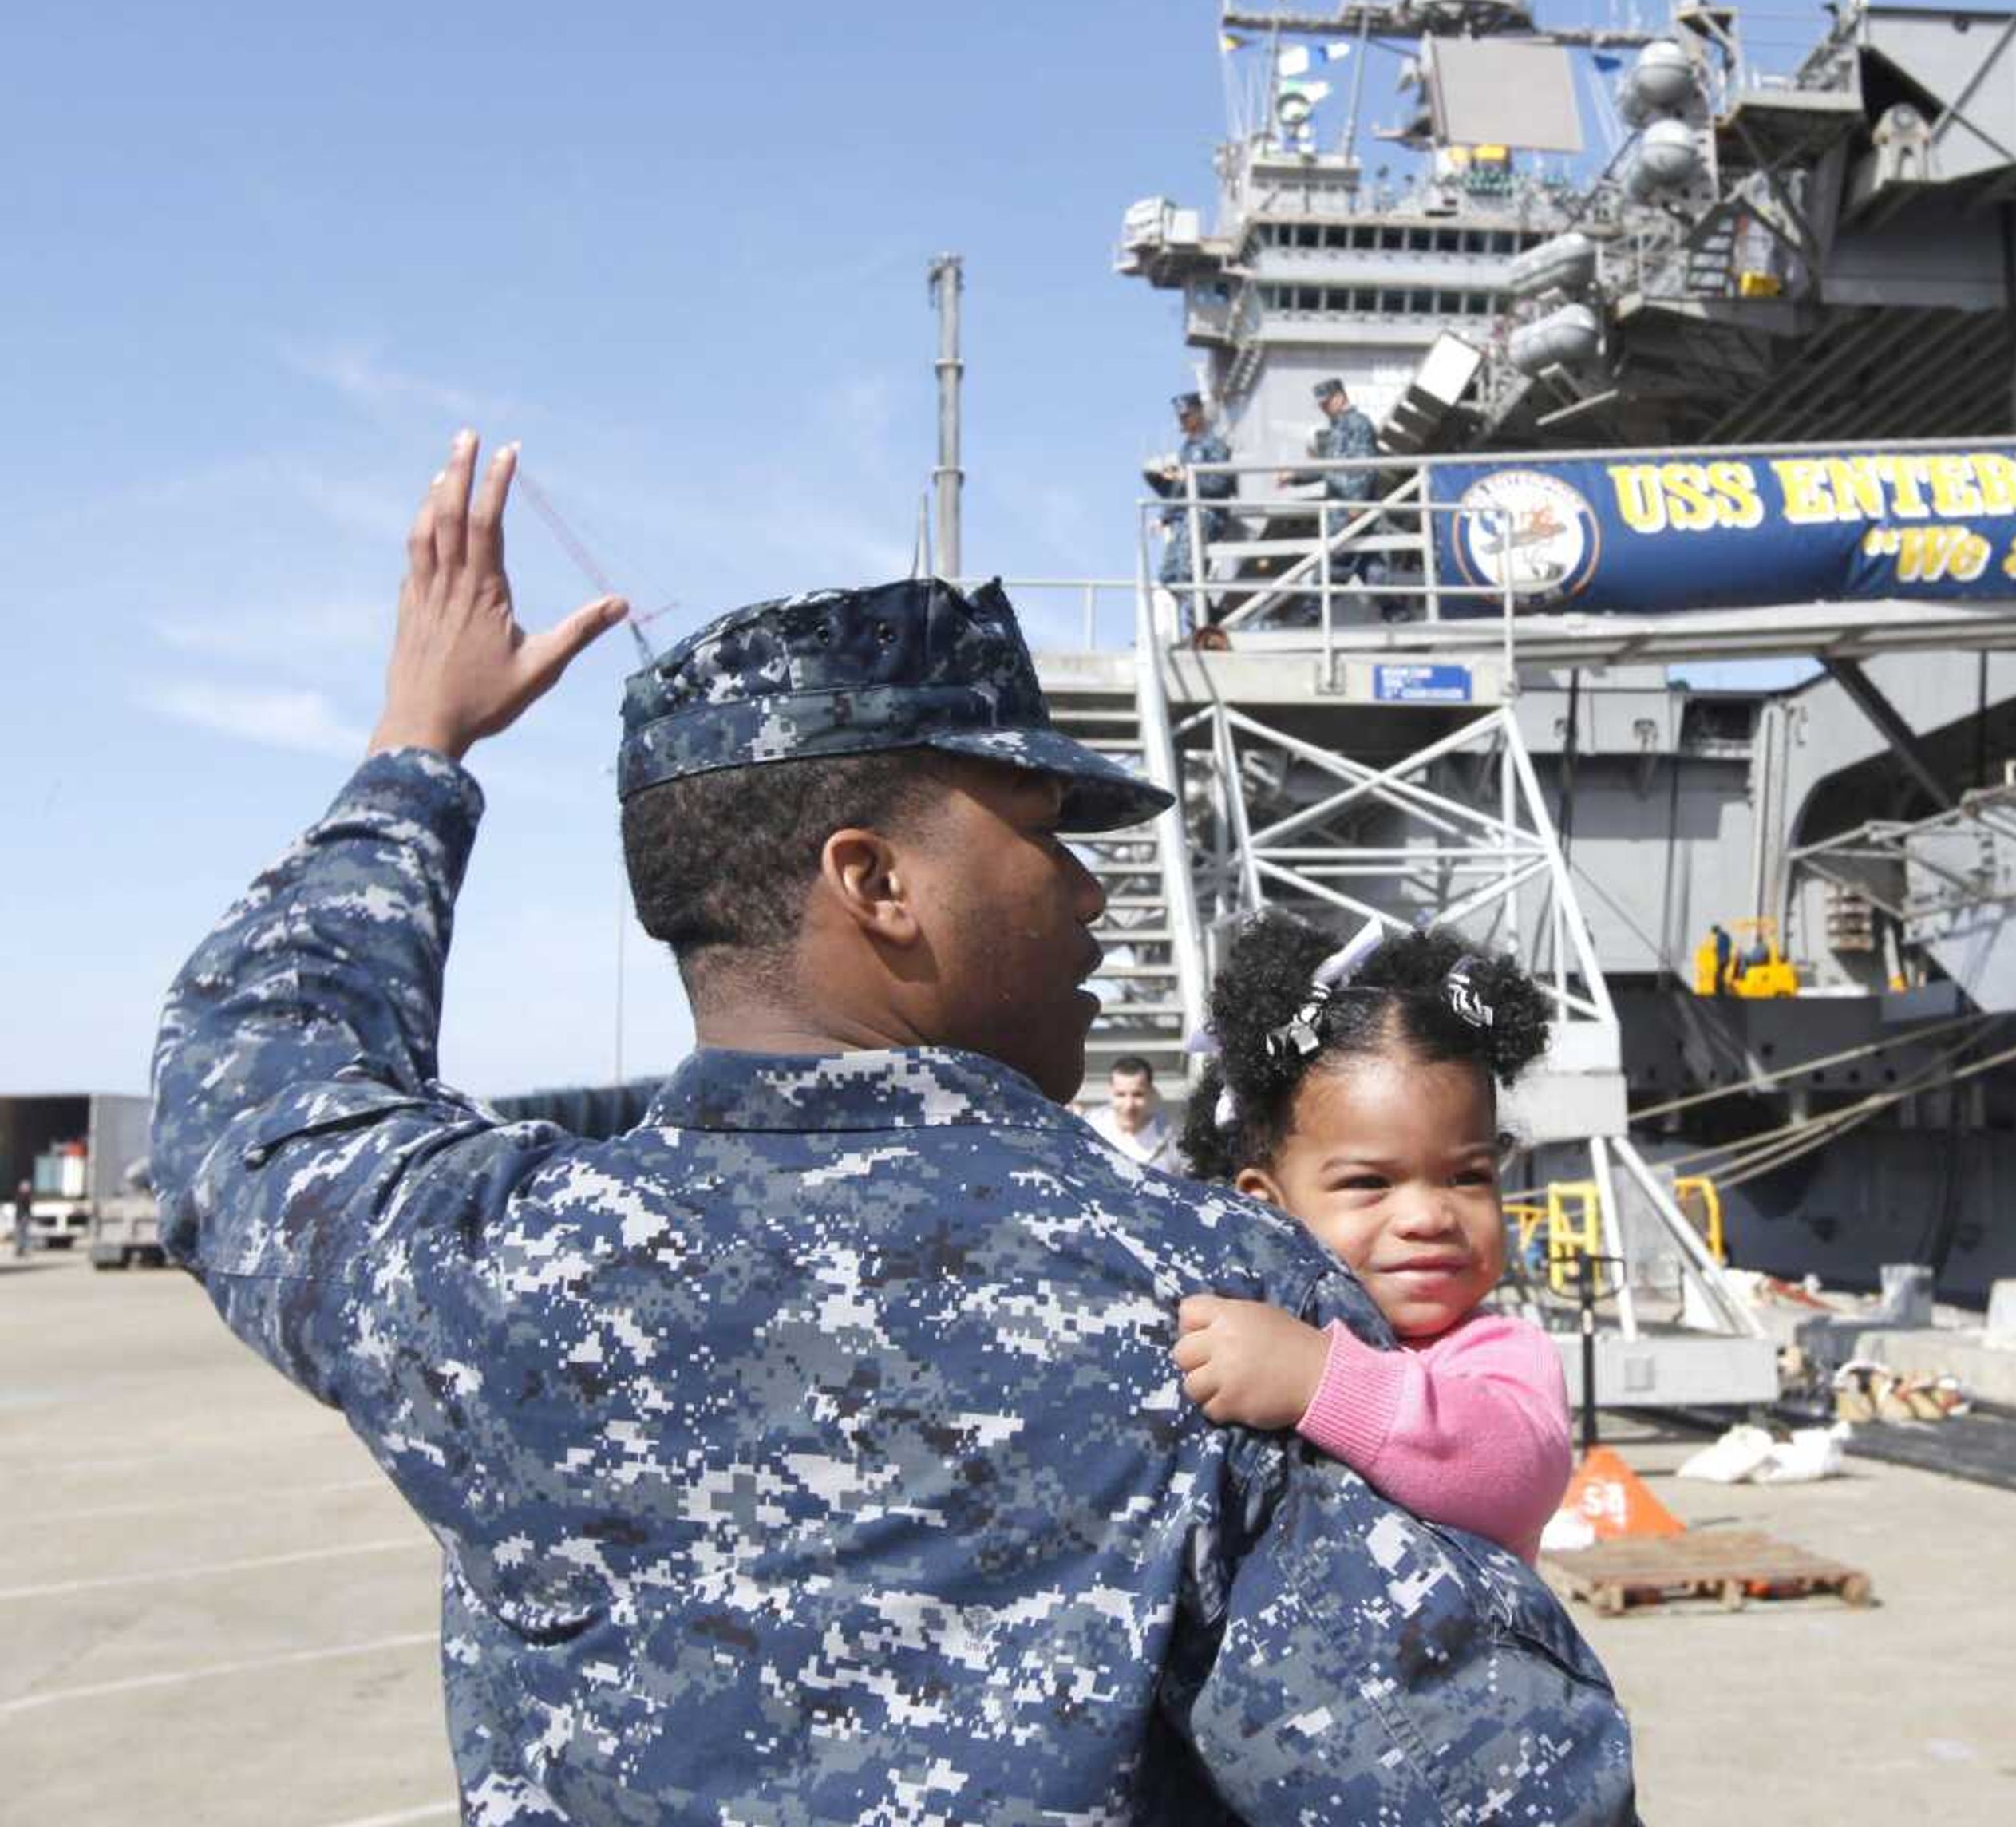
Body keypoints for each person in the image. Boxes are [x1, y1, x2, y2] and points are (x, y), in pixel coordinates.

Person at [148, 432, 1635, 1822]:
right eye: (1045, 830)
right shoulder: (1204, 1299)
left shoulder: (478, 1266)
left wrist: (417, 750)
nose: (1091, 891)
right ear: (875, 884)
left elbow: (251, 1091)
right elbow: (1497, 1788)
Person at [1170, 914, 1572, 1564]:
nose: (1427, 1216)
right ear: (1264, 1204)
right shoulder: (1230, 1326)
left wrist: (1319, 1379)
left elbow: (1520, 1474)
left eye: (1466, 1176)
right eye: (1370, 1183)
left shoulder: (1498, 1353)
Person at [1279, 378, 1414, 621]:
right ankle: (1395, 611)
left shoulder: (1357, 425)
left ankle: (1312, 611)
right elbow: (1329, 469)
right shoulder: (1337, 429)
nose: (1323, 408)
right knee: (1367, 563)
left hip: (1350, 509)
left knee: (1336, 558)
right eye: (1321, 404)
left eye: (1326, 402)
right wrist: (1295, 476)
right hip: (1343, 509)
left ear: (1340, 397)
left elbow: (1365, 467)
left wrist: (1357, 504)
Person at [1146, 390, 1238, 622]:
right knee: (1168, 574)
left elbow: (1221, 484)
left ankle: (1202, 619)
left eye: (1186, 416)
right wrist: (1164, 517)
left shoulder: (1215, 445)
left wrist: (1190, 478)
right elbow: (1179, 491)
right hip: (1185, 517)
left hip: (1207, 514)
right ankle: (1205, 613)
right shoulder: (1186, 449)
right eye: (1180, 417)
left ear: (1199, 414)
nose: (1183, 421)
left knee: (1188, 571)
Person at [1085, 1053, 1186, 1176]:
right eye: (1121, 1095)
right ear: (1110, 1093)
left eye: (1138, 1095)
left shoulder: (1174, 1141)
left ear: (1151, 1092)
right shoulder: (1088, 1130)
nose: (1129, 1105)